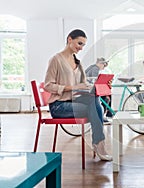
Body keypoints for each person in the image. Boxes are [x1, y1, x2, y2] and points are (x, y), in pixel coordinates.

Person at [44, 29, 112, 161]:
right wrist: (73, 87)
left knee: (95, 99)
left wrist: (98, 85)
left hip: (73, 101)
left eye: (83, 45)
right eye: (79, 43)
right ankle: (99, 144)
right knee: (93, 108)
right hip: (59, 105)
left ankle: (98, 143)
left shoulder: (78, 62)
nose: (81, 48)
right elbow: (48, 85)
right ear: (70, 39)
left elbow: (83, 84)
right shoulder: (56, 60)